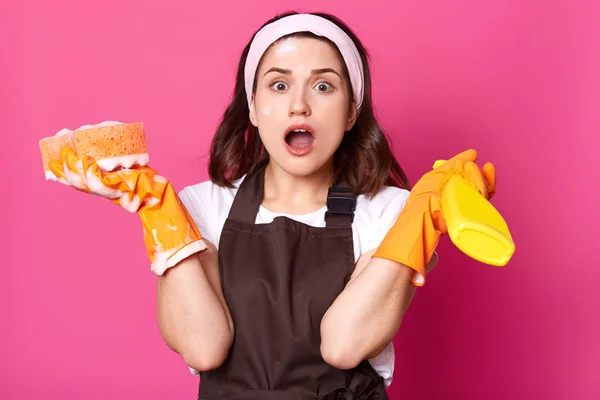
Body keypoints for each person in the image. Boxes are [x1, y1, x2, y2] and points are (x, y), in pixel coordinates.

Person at [49, 10, 496, 400]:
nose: (299, 105)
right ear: (255, 107)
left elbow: (344, 345)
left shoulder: (391, 211)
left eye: (323, 86)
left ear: (350, 111)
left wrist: (420, 217)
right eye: (279, 85)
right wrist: (156, 209)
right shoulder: (202, 207)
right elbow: (203, 347)